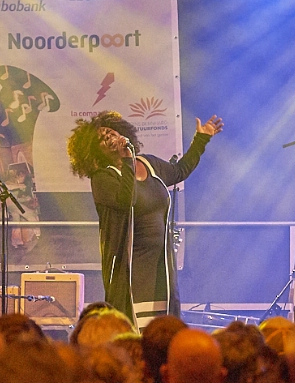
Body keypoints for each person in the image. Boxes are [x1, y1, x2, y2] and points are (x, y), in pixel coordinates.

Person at [67, 110, 223, 327]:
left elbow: (179, 171)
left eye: (111, 133)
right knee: (132, 328)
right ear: (97, 152)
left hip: (159, 264)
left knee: (162, 326)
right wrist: (127, 162)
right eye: (103, 140)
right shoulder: (103, 178)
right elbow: (126, 200)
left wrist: (201, 139)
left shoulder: (149, 164)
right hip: (130, 268)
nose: (110, 139)